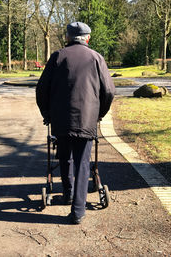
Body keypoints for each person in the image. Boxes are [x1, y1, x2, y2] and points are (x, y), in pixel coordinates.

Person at [36, 22, 115, 224]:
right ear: (87, 38)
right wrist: (100, 114)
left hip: (61, 120)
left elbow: (41, 89)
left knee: (65, 157)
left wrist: (47, 113)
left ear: (68, 37)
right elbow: (109, 91)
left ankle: (68, 193)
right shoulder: (97, 58)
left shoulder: (58, 56)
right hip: (87, 120)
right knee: (82, 163)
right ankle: (78, 210)